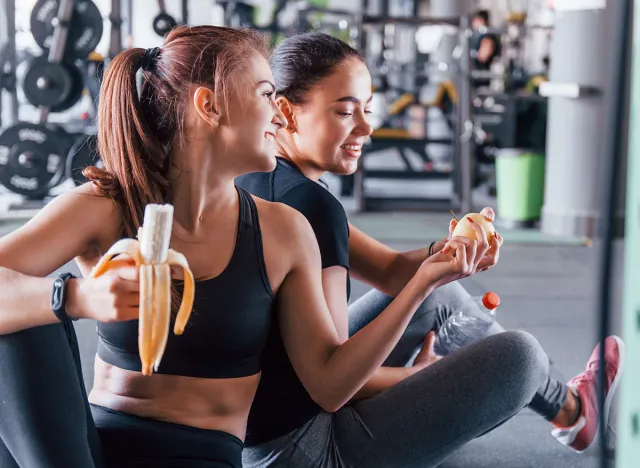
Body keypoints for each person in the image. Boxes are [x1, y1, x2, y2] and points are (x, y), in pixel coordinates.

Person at [0, 26, 503, 468]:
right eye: (266, 94)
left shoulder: (283, 230)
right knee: (17, 319)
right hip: (86, 445)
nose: (279, 116)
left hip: (201, 453)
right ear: (208, 105)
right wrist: (74, 297)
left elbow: (328, 386)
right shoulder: (109, 204)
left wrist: (424, 280)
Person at [235, 32, 625, 467]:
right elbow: (330, 384)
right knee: (521, 358)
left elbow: (387, 270)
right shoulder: (311, 206)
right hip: (304, 450)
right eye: (346, 111)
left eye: (367, 109)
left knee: (442, 295)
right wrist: (415, 377)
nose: (366, 127)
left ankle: (572, 411)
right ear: (286, 112)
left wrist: (451, 248)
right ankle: (570, 409)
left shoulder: (259, 178)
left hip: (261, 436)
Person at [470, 9, 500, 88]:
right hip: (476, 77)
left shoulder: (487, 36)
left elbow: (483, 56)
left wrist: (471, 54)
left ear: (482, 20)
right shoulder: (477, 36)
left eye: (475, 20)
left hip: (482, 77)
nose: (473, 23)